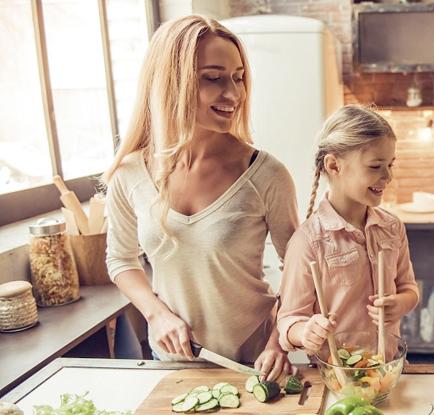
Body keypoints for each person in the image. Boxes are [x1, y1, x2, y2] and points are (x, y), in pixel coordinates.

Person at [104, 15, 298, 380]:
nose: (234, 94)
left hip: (256, 360)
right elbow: (121, 260)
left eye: (238, 78)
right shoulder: (129, 173)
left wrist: (278, 342)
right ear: (171, 83)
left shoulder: (266, 174)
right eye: (213, 79)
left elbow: (299, 270)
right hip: (173, 360)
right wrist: (157, 314)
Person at [277, 105, 419, 357]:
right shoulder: (307, 242)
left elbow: (409, 288)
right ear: (334, 166)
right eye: (375, 166)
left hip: (386, 369)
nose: (388, 176)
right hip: (336, 378)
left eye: (390, 164)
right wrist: (305, 331)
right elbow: (289, 321)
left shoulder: (392, 228)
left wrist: (401, 303)